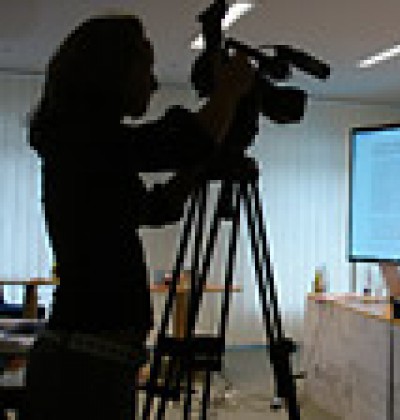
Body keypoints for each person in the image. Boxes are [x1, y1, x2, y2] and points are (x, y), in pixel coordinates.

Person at [23, 15, 255, 419]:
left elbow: (156, 208)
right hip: (85, 368)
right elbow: (184, 140)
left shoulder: (83, 148)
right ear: (110, 72)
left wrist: (199, 166)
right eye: (145, 67)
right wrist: (229, 93)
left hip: (91, 362)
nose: (154, 83)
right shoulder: (84, 143)